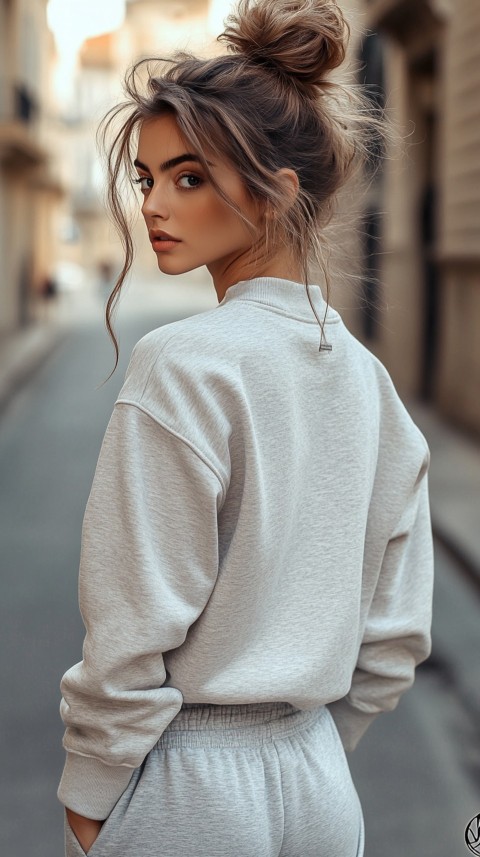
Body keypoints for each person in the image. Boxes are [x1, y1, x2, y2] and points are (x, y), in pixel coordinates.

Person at [57, 1, 434, 855]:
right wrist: (312, 752)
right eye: (149, 177)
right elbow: (397, 630)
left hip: (189, 786)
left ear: (278, 193)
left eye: (189, 177)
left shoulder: (185, 362)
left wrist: (91, 787)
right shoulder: (370, 382)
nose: (153, 203)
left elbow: (132, 616)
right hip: (323, 790)